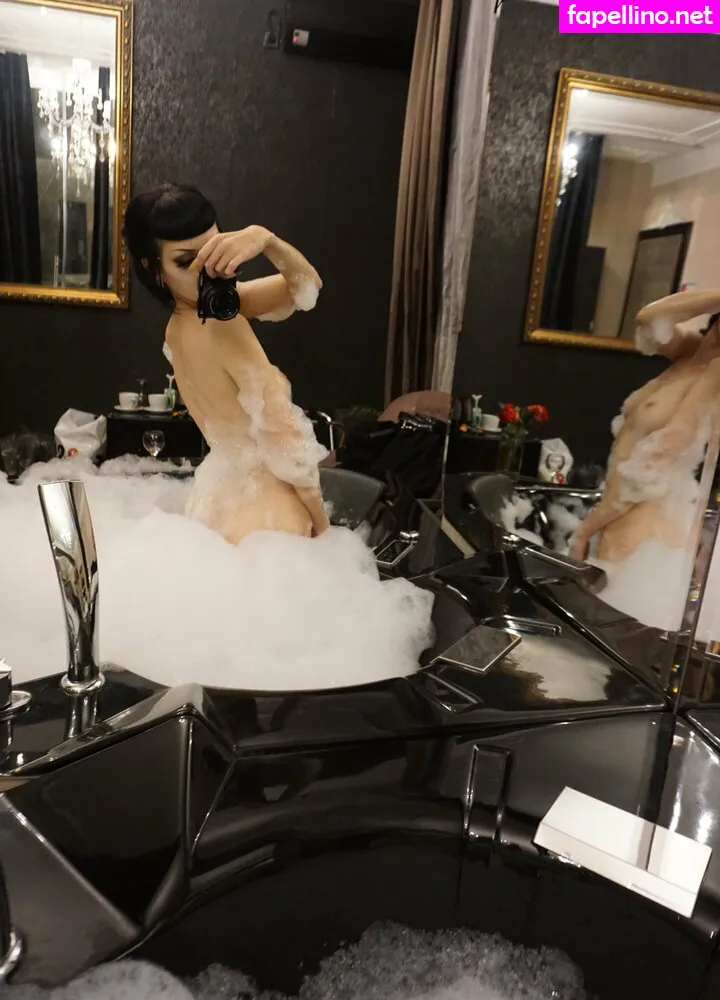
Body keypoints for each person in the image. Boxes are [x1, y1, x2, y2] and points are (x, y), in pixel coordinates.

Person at [123, 183, 329, 545]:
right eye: (187, 262)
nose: (209, 271)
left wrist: (266, 240)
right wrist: (324, 529)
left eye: (215, 251)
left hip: (217, 500)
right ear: (152, 268)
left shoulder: (178, 326)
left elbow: (306, 286)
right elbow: (285, 435)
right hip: (269, 511)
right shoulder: (222, 326)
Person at [569, 290, 720, 563]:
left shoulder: (715, 376)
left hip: (645, 525)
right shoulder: (689, 353)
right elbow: (648, 319)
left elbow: (651, 465)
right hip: (618, 511)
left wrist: (583, 531)